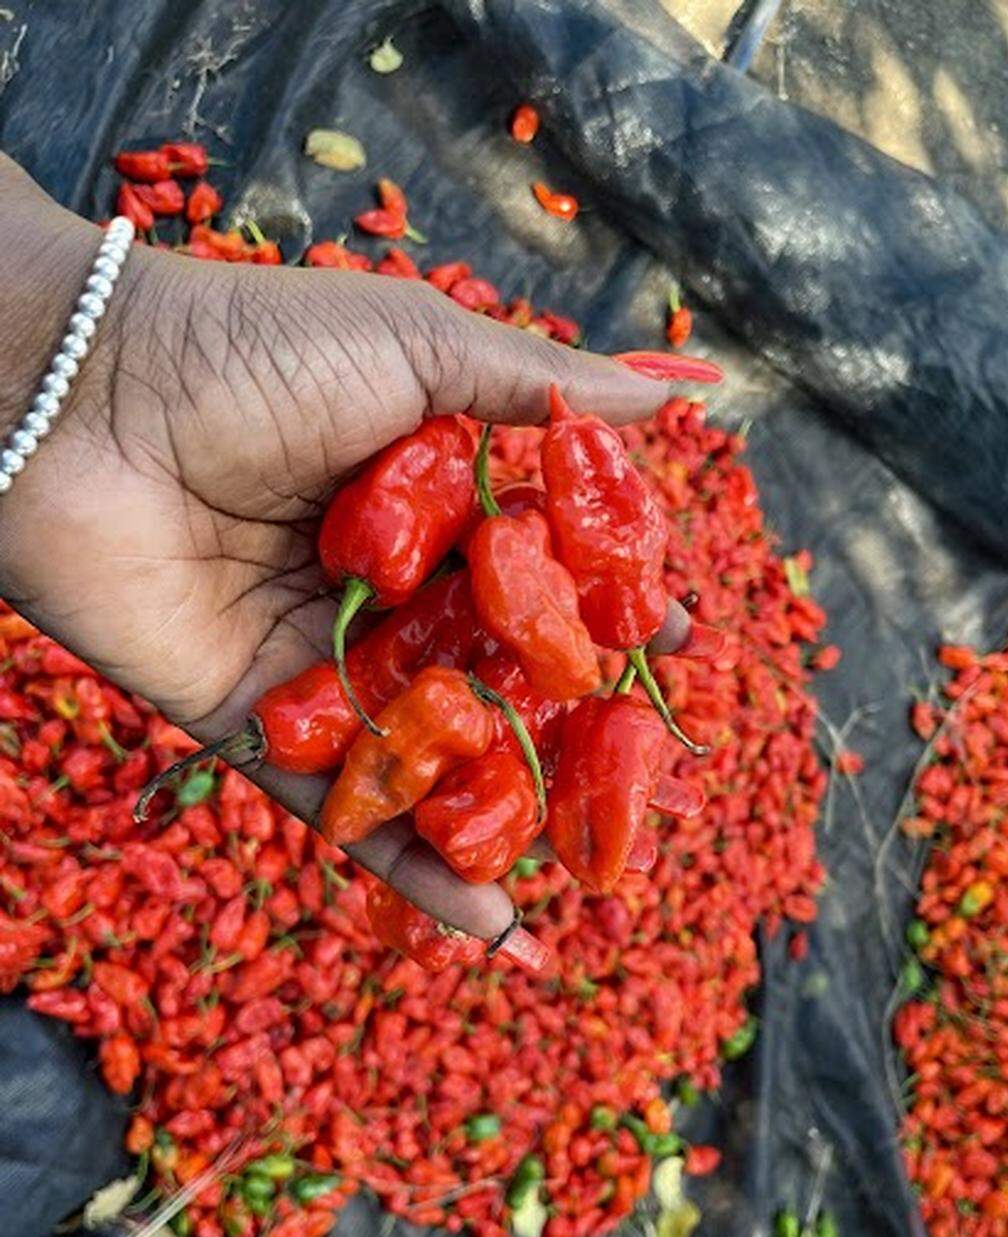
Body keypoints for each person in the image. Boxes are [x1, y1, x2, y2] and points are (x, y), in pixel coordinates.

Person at [0, 152, 694, 953]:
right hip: (423, 643)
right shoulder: (483, 585)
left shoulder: (494, 611)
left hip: (446, 659)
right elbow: (530, 655)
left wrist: (84, 350)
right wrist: (106, 350)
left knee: (468, 665)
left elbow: (536, 655)